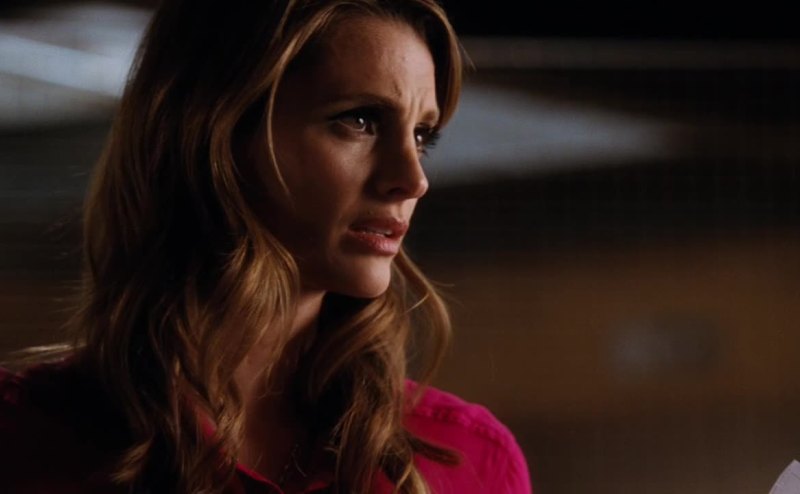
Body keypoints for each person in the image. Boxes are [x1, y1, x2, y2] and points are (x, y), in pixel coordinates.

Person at [0, 0, 532, 492]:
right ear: (214, 132)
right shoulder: (21, 435)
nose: (413, 180)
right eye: (360, 120)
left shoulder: (471, 460)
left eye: (422, 136)